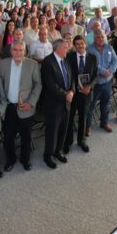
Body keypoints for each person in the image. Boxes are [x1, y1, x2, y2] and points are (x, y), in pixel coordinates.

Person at [0, 40, 41, 171]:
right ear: (11, 51)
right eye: (15, 50)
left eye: (21, 50)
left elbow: (38, 85)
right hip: (9, 106)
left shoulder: (33, 64)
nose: (18, 52)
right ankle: (10, 159)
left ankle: (25, 159)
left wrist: (31, 103)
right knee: (8, 136)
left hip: (26, 106)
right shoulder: (3, 64)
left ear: (25, 51)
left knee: (26, 136)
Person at [41, 39, 73, 169]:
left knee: (63, 129)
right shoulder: (48, 62)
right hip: (54, 103)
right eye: (65, 47)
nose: (68, 49)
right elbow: (50, 85)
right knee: (52, 131)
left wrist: (72, 90)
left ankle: (58, 150)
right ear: (58, 48)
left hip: (66, 101)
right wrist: (66, 95)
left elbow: (72, 77)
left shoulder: (65, 59)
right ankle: (48, 155)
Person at [64, 35, 97, 154]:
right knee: (70, 118)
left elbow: (95, 75)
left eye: (81, 43)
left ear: (85, 44)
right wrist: (72, 89)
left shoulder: (92, 58)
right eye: (77, 44)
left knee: (83, 117)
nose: (80, 46)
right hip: (73, 93)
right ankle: (68, 142)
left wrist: (89, 86)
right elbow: (67, 75)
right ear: (74, 46)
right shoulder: (69, 57)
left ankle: (81, 140)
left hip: (86, 93)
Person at [86, 29, 117, 135]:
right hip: (95, 83)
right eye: (98, 37)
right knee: (90, 105)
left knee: (105, 104)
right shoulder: (89, 49)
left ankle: (104, 123)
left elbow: (116, 61)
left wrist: (110, 71)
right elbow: (91, 64)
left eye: (102, 37)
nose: (100, 39)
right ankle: (88, 126)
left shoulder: (109, 47)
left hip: (107, 82)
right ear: (94, 38)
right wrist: (103, 71)